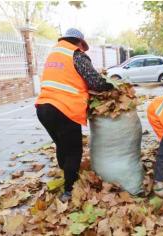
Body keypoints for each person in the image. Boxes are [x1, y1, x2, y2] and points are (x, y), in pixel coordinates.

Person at [35, 28, 114, 202]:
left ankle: (67, 174)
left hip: (42, 108)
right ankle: (69, 190)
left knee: (62, 145)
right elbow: (95, 82)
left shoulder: (53, 54)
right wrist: (111, 86)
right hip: (64, 109)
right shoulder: (76, 55)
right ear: (79, 42)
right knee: (73, 150)